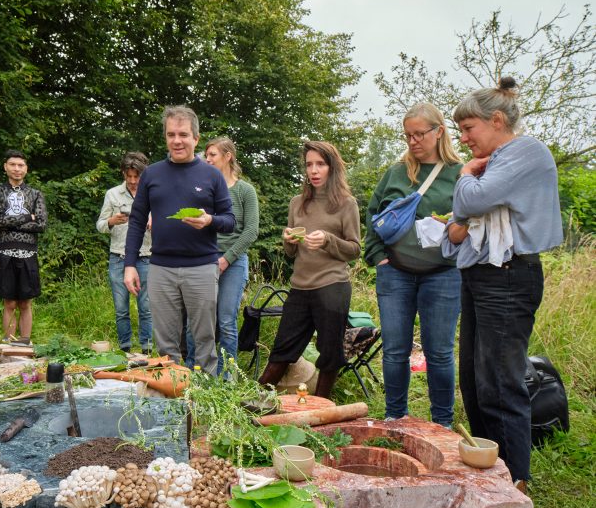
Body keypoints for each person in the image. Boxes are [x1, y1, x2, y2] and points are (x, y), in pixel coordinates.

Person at [443, 77, 562, 490]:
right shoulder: (497, 161)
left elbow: (470, 203)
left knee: (501, 380)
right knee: (475, 379)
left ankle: (515, 480)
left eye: (468, 128)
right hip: (481, 274)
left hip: (510, 276)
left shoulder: (525, 151)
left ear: (496, 120)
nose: (463, 137)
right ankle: (489, 469)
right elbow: (462, 223)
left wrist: (464, 176)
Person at [364, 103, 463, 426]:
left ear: (439, 132)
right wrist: (378, 256)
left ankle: (442, 424)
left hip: (444, 274)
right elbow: (372, 213)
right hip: (396, 273)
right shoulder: (396, 172)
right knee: (395, 350)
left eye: (419, 134)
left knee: (439, 353)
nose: (413, 141)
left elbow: (473, 218)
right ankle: (395, 419)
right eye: (408, 135)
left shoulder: (459, 173)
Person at [123, 105, 235, 374]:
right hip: (160, 267)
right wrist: (129, 264)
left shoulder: (211, 175)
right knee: (166, 345)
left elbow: (230, 221)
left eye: (183, 134)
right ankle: (171, 404)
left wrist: (209, 220)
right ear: (165, 137)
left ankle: (206, 403)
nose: (177, 140)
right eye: (171, 134)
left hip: (202, 268)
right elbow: (137, 221)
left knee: (205, 340)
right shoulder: (152, 174)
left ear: (196, 138)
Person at [258, 141, 360, 400]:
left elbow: (354, 250)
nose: (313, 170)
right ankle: (252, 405)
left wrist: (328, 239)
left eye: (320, 164)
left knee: (329, 353)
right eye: (309, 165)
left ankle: (322, 408)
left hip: (332, 287)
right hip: (300, 287)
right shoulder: (297, 203)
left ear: (332, 167)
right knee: (282, 349)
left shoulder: (346, 203)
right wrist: (288, 241)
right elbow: (292, 254)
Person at [186, 137, 260, 374]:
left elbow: (251, 231)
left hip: (234, 263)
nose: (206, 160)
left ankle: (227, 377)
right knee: (194, 322)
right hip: (203, 261)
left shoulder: (244, 190)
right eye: (206, 156)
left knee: (226, 321)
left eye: (212, 155)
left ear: (228, 156)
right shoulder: (203, 190)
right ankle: (192, 373)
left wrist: (227, 258)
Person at [0, 150, 46, 341]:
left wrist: (7, 222)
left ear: (26, 169)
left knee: (25, 302)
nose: (17, 169)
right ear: (5, 167)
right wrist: (28, 217)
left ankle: (25, 344)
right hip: (5, 250)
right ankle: (9, 346)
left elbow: (41, 224)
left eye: (21, 165)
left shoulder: (35, 194)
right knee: (9, 302)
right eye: (13, 164)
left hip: (28, 252)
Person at [96, 151, 153, 352]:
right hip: (118, 257)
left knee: (146, 308)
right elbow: (100, 225)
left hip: (146, 256)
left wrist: (155, 222)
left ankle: (146, 348)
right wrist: (112, 221)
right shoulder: (112, 194)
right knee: (121, 309)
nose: (132, 181)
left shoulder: (152, 193)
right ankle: (125, 349)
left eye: (136, 176)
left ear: (143, 175)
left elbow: (169, 223)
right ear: (123, 173)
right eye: (128, 176)